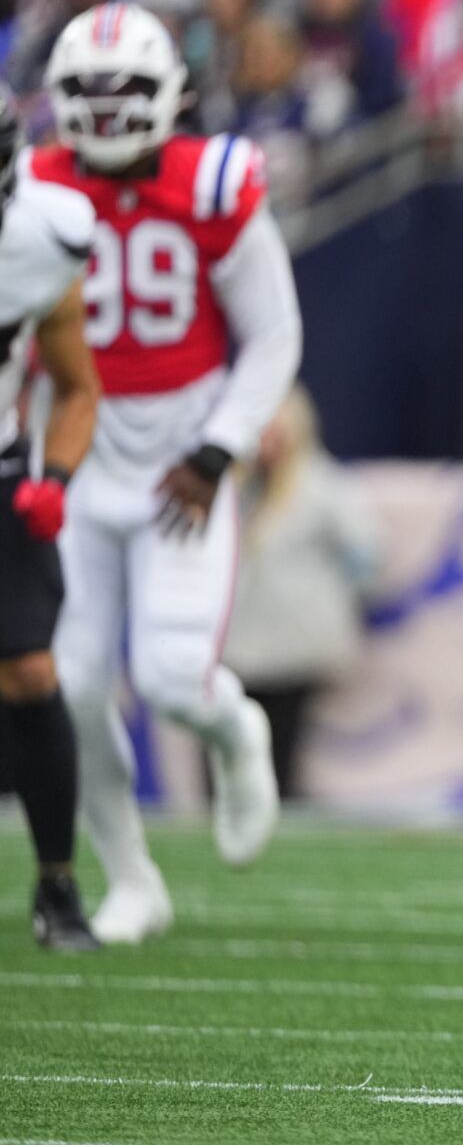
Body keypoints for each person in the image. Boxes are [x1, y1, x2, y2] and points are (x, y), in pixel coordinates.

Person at [31, 2, 304, 947]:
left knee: (174, 681)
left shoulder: (212, 182)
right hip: (75, 456)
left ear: (169, 94)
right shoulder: (30, 188)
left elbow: (273, 332)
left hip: (179, 457)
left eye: (126, 91)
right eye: (88, 94)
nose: (107, 112)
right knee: (68, 686)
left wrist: (217, 448)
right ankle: (132, 879)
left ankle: (236, 733)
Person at [0, 84, 103, 950]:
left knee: (30, 670)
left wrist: (57, 476)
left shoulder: (41, 237)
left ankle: (57, 885)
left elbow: (76, 386)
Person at [222, 387, 381, 799]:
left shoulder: (320, 486)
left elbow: (367, 555)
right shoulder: (234, 486)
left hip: (294, 644)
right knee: (231, 737)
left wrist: (327, 599)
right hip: (240, 642)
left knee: (281, 742)